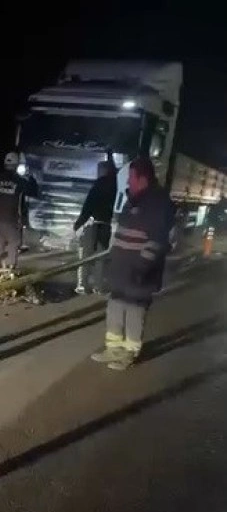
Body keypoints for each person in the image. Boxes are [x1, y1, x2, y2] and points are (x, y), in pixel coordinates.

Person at [91, 156, 175, 371]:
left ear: (143, 178)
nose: (128, 182)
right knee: (116, 306)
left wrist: (141, 268)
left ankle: (130, 352)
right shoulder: (133, 200)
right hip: (122, 269)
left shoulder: (158, 203)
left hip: (140, 271)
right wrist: (112, 261)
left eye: (131, 178)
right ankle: (113, 348)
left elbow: (157, 240)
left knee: (134, 310)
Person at [74, 157, 117, 293]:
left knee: (85, 256)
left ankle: (83, 284)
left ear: (102, 171)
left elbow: (88, 207)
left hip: (92, 224)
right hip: (105, 225)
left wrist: (78, 224)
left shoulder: (97, 186)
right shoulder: (114, 186)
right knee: (100, 256)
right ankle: (98, 285)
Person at [0, 151, 37, 269]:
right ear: (17, 165)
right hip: (12, 221)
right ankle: (9, 270)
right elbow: (34, 192)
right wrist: (30, 176)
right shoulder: (19, 180)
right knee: (13, 245)